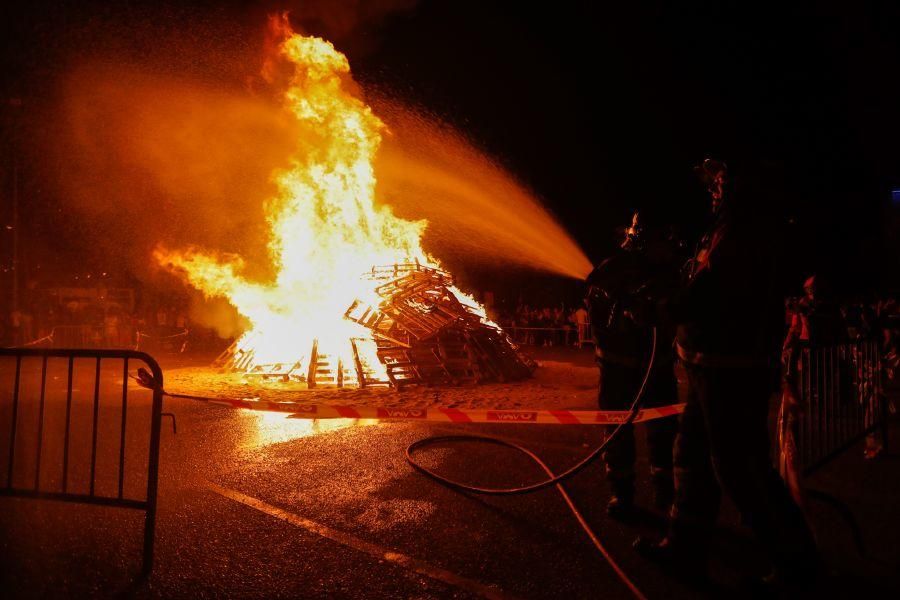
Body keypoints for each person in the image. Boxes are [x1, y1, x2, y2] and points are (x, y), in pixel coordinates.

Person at [634, 159, 819, 589]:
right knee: (692, 458)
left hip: (730, 373)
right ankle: (684, 546)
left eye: (718, 182)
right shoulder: (732, 228)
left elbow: (709, 292)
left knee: (741, 469)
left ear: (736, 185)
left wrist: (659, 310)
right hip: (711, 368)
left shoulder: (742, 232)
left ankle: (795, 564)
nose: (713, 190)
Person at [586, 211, 680, 519]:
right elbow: (596, 310)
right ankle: (622, 494)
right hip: (617, 372)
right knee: (617, 433)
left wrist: (653, 311)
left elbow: (679, 310)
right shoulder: (610, 271)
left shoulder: (669, 273)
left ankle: (666, 496)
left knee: (663, 435)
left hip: (658, 368)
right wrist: (620, 309)